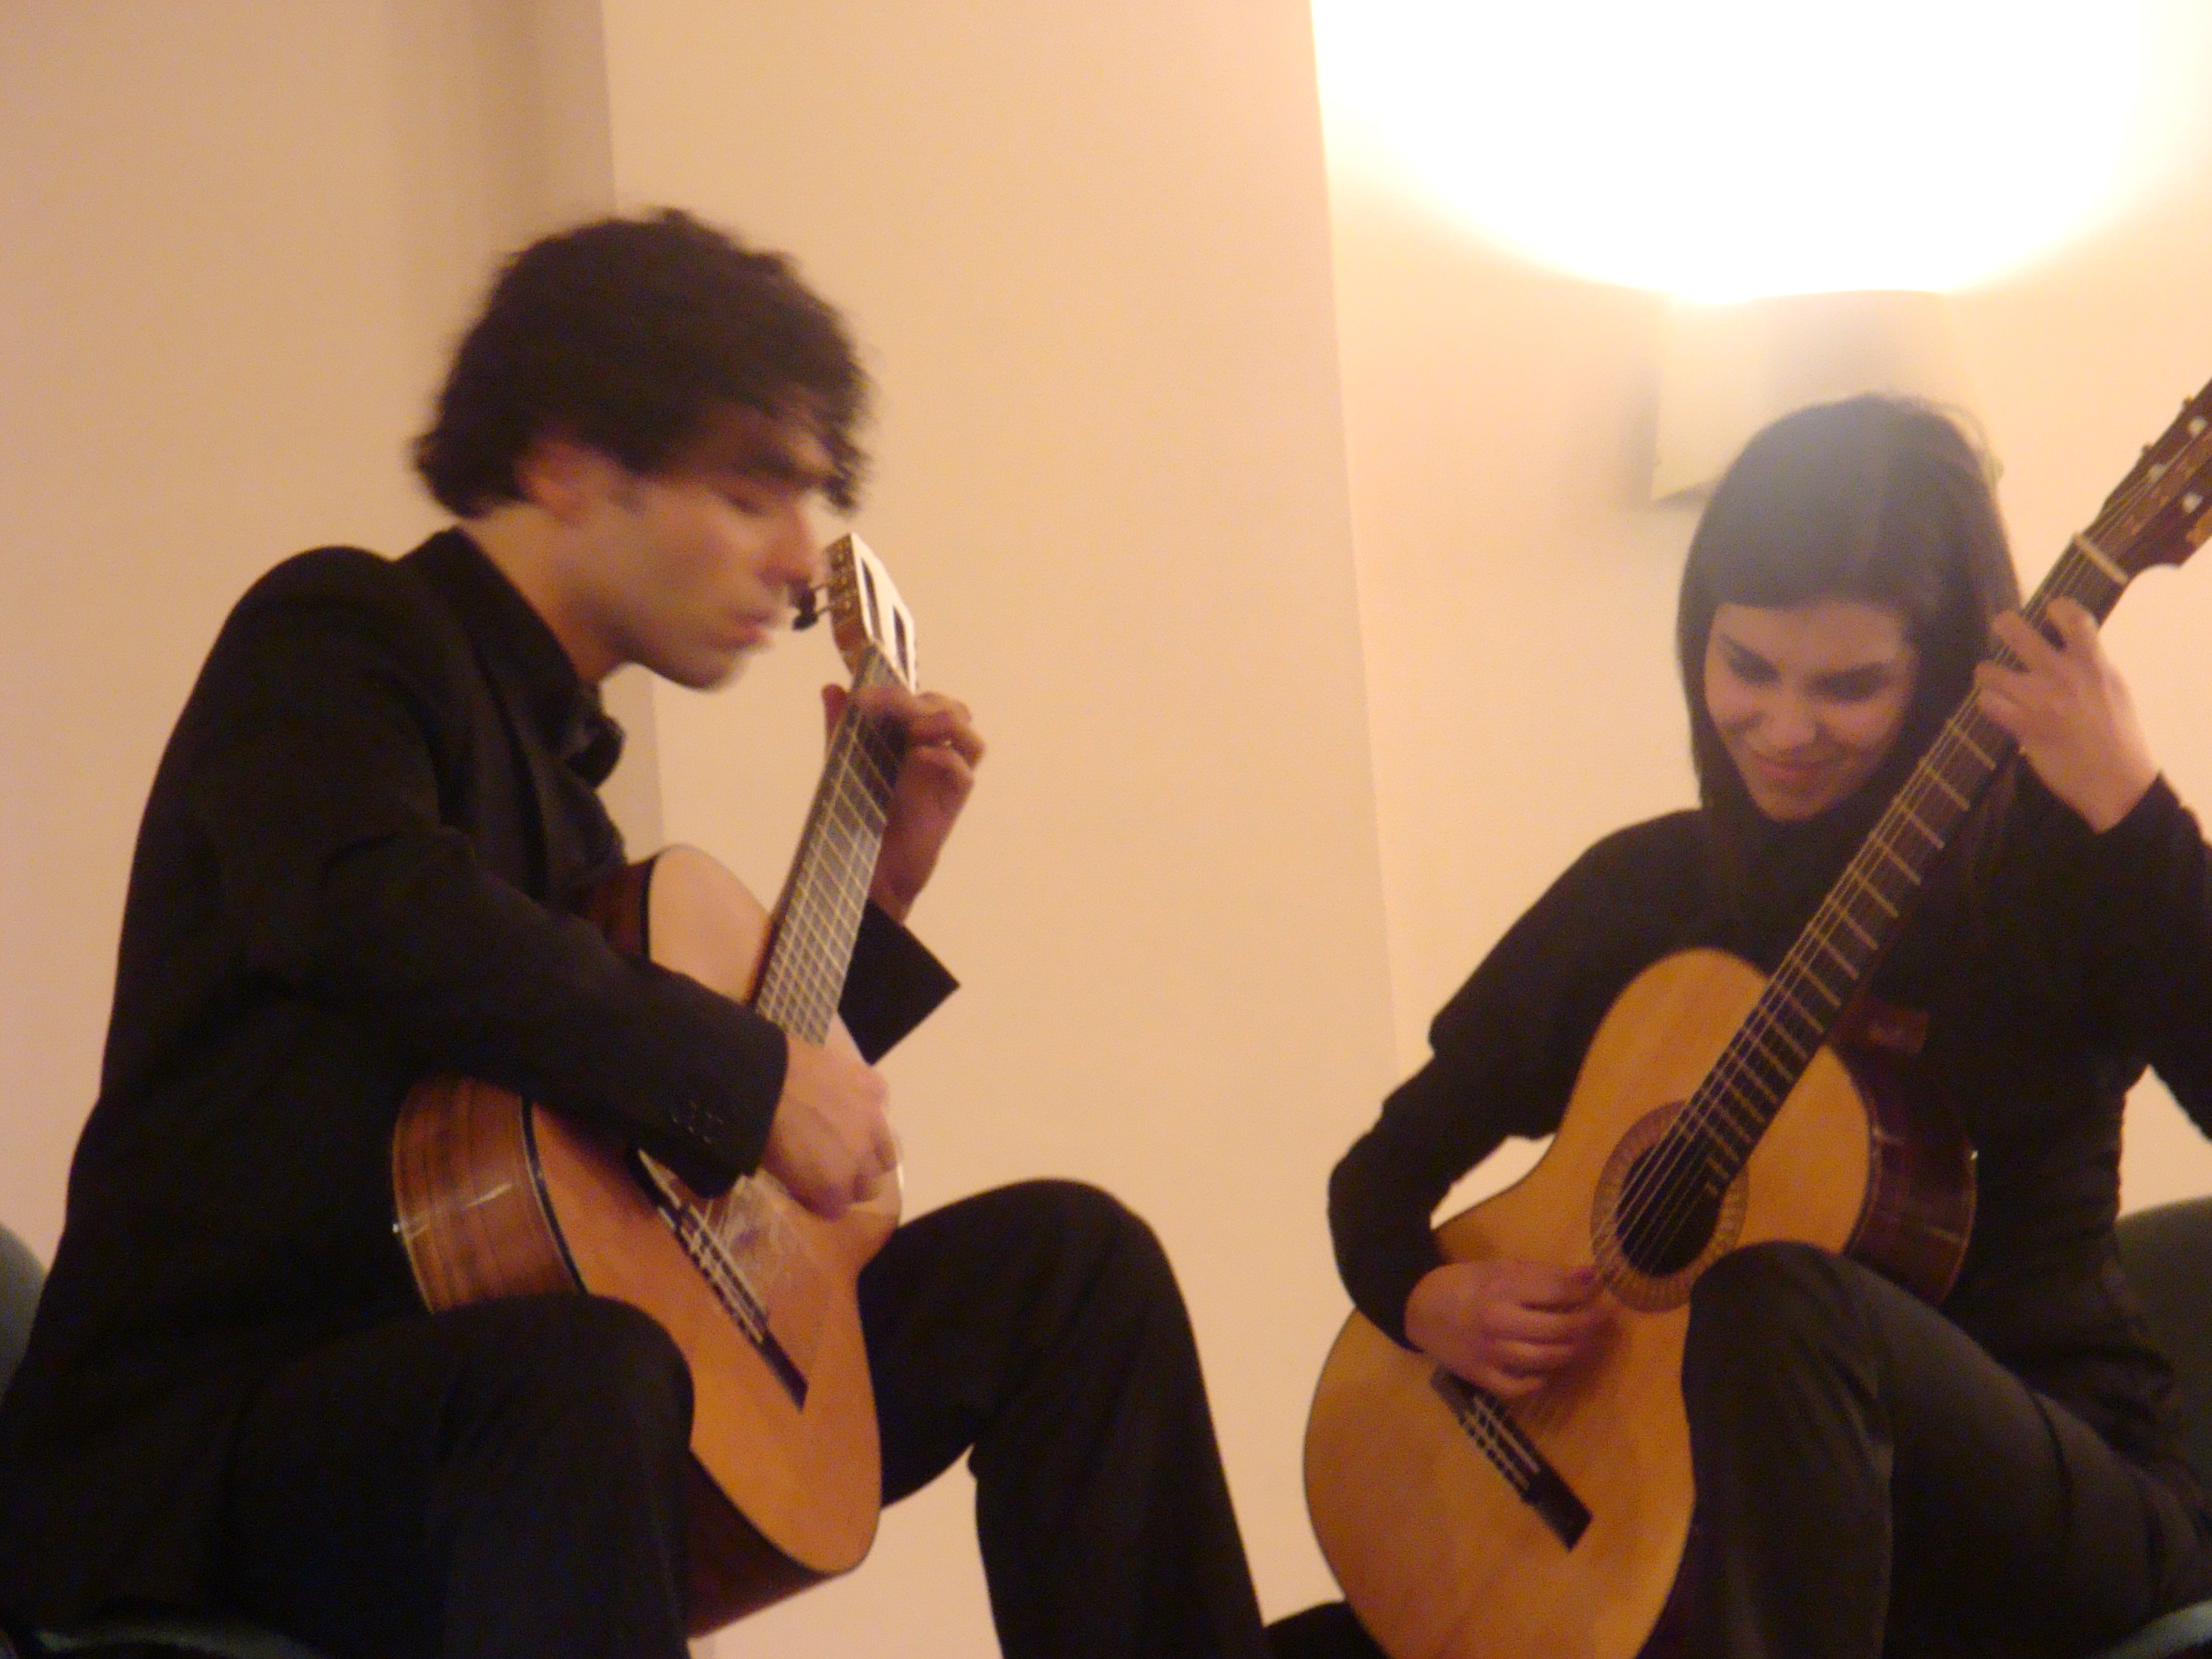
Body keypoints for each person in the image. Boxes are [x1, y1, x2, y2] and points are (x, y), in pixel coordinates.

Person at [0, 209, 1272, 1659]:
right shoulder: (343, 633)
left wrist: (870, 906)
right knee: (589, 1372)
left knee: (1068, 1270)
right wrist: (753, 1079)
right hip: (209, 1445)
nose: (799, 558)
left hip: (518, 1397)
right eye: (749, 491)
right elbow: (364, 904)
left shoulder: (578, 821)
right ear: (568, 463)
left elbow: (666, 1172)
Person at [1319, 396, 2212, 1657]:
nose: (1785, 729)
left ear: (1949, 667)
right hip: (1715, 1542)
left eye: (1849, 685)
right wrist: (1427, 1296)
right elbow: (1380, 1174)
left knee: (1780, 1298)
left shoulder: (2066, 871)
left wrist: (2135, 812)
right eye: (1747, 667)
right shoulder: (1644, 893)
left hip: (2053, 1502)